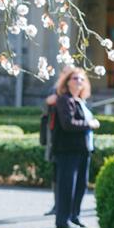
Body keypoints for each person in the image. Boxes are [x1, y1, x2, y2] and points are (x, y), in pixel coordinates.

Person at [52, 68, 100, 228]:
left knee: (80, 185)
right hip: (68, 150)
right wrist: (90, 124)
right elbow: (68, 124)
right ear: (67, 82)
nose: (79, 81)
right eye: (75, 78)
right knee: (67, 186)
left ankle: (74, 216)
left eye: (81, 79)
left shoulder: (80, 101)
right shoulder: (64, 100)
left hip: (83, 150)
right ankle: (63, 219)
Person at [41, 66, 76, 216]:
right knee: (56, 173)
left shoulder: (74, 92)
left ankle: (64, 208)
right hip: (54, 136)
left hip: (65, 138)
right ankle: (57, 205)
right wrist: (47, 103)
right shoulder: (54, 90)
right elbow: (44, 111)